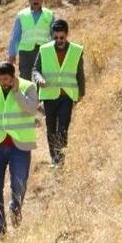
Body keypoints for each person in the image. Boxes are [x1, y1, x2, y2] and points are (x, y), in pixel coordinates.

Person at [0, 62, 39, 239]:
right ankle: (0, 229)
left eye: (5, 79)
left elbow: (31, 110)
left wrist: (16, 92)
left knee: (19, 184)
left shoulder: (28, 87)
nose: (2, 83)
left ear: (13, 76)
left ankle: (15, 209)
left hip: (19, 146)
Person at [32, 19, 85, 166]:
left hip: (67, 96)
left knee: (63, 128)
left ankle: (60, 160)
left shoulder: (76, 50)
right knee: (51, 128)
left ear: (67, 35)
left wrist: (81, 92)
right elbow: (35, 70)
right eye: (56, 38)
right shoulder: (44, 50)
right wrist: (39, 79)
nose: (59, 41)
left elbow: (80, 73)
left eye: (62, 37)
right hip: (49, 95)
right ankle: (53, 157)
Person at [8, 0, 54, 81]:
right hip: (26, 52)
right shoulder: (22, 15)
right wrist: (12, 53)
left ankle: (39, 95)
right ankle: (26, 95)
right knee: (24, 77)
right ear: (29, 0)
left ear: (42, 0)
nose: (35, 1)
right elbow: (16, 35)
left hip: (43, 50)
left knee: (41, 76)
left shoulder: (49, 14)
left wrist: (55, 50)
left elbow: (54, 34)